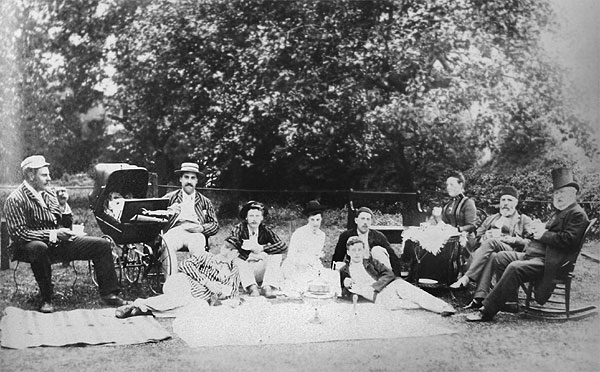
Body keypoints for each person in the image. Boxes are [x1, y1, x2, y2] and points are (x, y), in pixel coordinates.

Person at [3, 155, 124, 313]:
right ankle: (46, 298)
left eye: (48, 174)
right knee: (38, 247)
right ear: (31, 175)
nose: (49, 178)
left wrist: (63, 215)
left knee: (101, 245)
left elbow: (57, 219)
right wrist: (54, 234)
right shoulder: (15, 199)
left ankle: (109, 294)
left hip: (54, 242)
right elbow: (20, 233)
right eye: (44, 175)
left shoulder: (48, 193)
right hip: (26, 247)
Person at [467, 168, 590, 322]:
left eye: (562, 193)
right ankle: (510, 302)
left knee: (514, 267)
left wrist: (543, 234)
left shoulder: (577, 213)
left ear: (572, 194)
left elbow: (568, 240)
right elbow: (554, 231)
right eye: (556, 193)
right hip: (538, 255)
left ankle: (487, 310)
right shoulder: (563, 211)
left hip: (553, 261)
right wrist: (540, 228)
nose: (558, 196)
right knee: (500, 257)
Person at [115, 241, 241, 318]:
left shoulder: (234, 271)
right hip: (182, 282)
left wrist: (227, 299)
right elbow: (184, 265)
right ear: (222, 248)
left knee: (199, 309)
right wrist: (207, 282)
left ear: (237, 254)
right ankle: (136, 303)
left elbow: (234, 294)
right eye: (226, 248)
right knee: (180, 298)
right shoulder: (207, 256)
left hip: (197, 298)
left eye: (232, 251)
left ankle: (143, 309)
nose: (226, 253)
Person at [450, 186, 533, 300]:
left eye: (509, 200)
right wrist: (483, 238)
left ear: (516, 202)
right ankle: (480, 296)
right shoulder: (491, 219)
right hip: (490, 252)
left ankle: (467, 277)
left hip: (511, 252)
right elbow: (475, 239)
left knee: (491, 242)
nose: (505, 203)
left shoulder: (524, 220)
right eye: (503, 200)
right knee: (492, 255)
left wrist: (515, 240)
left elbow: (531, 242)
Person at [340, 237, 455, 315]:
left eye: (359, 250)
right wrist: (346, 286)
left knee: (413, 293)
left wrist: (375, 286)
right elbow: (345, 294)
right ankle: (435, 308)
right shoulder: (344, 270)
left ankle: (443, 307)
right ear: (348, 252)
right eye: (353, 250)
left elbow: (389, 273)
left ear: (363, 250)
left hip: (390, 286)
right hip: (378, 298)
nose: (356, 253)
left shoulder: (370, 262)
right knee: (404, 304)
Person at [161, 162, 219, 277]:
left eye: (193, 178)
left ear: (197, 181)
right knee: (166, 243)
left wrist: (201, 228)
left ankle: (197, 281)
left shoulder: (204, 201)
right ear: (180, 179)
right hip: (175, 231)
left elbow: (215, 225)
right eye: (186, 177)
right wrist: (168, 211)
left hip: (195, 232)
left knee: (198, 246)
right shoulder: (169, 198)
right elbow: (154, 216)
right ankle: (171, 281)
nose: (189, 181)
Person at [225, 201, 287, 298]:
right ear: (246, 217)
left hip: (260, 267)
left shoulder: (265, 230)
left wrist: (262, 248)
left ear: (262, 218)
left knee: (277, 255)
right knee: (236, 257)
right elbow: (232, 241)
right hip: (245, 268)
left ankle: (267, 286)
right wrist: (249, 252)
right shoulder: (240, 228)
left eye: (257, 216)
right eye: (251, 216)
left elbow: (282, 246)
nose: (254, 219)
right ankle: (251, 287)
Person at [281, 200, 340, 296]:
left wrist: (316, 258)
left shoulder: (321, 235)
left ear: (321, 219)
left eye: (318, 220)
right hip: (295, 266)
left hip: (312, 266)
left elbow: (316, 255)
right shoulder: (299, 233)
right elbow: (291, 256)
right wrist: (304, 262)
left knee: (332, 276)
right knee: (302, 283)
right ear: (308, 219)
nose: (315, 223)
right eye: (312, 220)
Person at [331, 206, 401, 276]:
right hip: (355, 269)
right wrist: (334, 275)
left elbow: (392, 257)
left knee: (377, 250)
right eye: (362, 219)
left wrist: (397, 277)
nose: (365, 222)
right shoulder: (346, 235)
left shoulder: (378, 236)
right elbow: (337, 257)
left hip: (374, 270)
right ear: (356, 220)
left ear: (371, 222)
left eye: (368, 219)